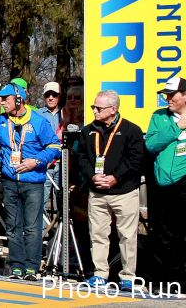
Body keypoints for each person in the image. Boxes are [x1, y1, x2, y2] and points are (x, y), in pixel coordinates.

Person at [0, 82, 60, 281]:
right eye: (0, 98)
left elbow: (55, 146)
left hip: (33, 182)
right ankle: (16, 266)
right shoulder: (1, 122)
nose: (2, 102)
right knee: (13, 226)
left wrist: (37, 161)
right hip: (9, 181)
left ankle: (32, 268)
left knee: (32, 227)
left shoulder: (39, 122)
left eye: (5, 99)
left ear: (18, 99)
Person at [81, 90, 143, 291]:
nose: (95, 111)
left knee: (127, 235)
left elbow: (134, 161)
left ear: (113, 109)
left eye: (98, 108)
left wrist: (115, 177)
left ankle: (128, 276)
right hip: (97, 192)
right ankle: (100, 274)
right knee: (97, 235)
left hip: (124, 192)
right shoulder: (88, 130)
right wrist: (93, 175)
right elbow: (81, 157)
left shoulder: (131, 130)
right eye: (94, 107)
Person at [144, 76, 186, 290]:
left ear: (185, 95)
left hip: (183, 181)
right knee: (163, 234)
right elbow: (151, 144)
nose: (167, 98)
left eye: (172, 95)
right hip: (162, 183)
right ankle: (163, 280)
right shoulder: (159, 116)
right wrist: (178, 126)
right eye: (165, 94)